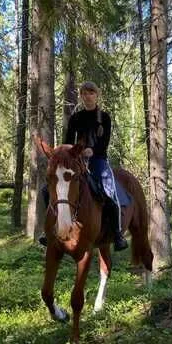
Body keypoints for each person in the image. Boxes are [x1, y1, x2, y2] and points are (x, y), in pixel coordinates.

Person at [40, 81, 128, 252]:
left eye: (91, 93)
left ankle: (118, 234)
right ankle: (49, 229)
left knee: (110, 192)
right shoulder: (75, 118)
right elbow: (68, 142)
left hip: (98, 161)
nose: (88, 97)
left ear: (97, 95)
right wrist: (66, 155)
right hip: (76, 161)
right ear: (81, 96)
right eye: (84, 94)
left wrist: (92, 150)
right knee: (46, 190)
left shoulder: (104, 117)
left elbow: (104, 142)